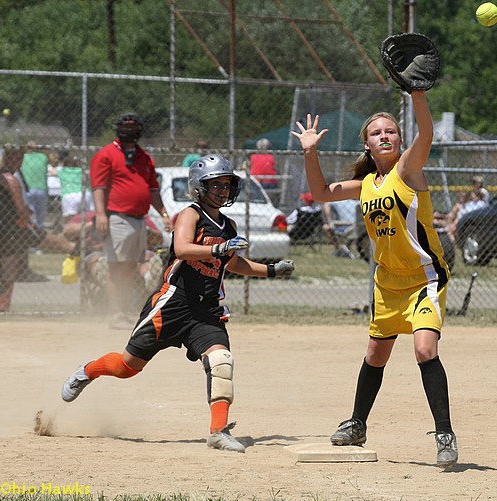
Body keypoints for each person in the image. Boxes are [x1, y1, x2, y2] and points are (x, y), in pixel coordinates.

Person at [61, 154, 295, 453]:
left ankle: (217, 432)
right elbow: (182, 249)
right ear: (199, 187)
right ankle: (88, 371)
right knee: (127, 367)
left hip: (206, 309)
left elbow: (234, 263)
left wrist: (271, 269)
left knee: (221, 361)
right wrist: (220, 248)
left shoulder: (228, 225)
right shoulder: (191, 215)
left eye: (227, 184)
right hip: (172, 303)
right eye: (216, 184)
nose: (223, 190)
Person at [291, 90, 458, 467]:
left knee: (424, 350)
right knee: (375, 355)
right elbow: (319, 192)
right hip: (387, 283)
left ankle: (445, 433)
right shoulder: (367, 184)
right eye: (376, 133)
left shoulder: (408, 171)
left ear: (400, 141)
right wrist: (309, 151)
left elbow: (426, 134)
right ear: (366, 144)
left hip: (424, 279)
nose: (385, 136)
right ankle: (357, 424)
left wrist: (417, 94)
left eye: (391, 132)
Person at [90, 113, 172, 327]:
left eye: (134, 127)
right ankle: (116, 313)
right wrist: (100, 214)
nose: (130, 131)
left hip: (139, 219)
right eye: (126, 127)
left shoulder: (144, 158)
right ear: (118, 129)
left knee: (129, 267)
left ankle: (121, 311)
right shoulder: (106, 154)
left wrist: (164, 214)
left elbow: (153, 190)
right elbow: (99, 187)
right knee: (116, 266)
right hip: (117, 218)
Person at [0, 144, 76, 312]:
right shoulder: (10, 179)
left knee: (9, 272)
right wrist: (29, 220)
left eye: (20, 157)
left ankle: (3, 308)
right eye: (14, 157)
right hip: (16, 230)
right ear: (6, 158)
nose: (18, 161)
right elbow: (22, 209)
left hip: (1, 230)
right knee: (64, 245)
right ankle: (85, 257)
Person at [20, 141, 49, 228]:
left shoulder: (23, 157)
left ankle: (33, 230)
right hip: (42, 188)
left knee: (31, 212)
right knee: (41, 213)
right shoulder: (43, 157)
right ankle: (39, 229)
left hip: (28, 188)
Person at [58, 155, 93, 224]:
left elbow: (52, 172)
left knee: (69, 219)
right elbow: (89, 172)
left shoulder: (62, 171)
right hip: (85, 193)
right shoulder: (80, 170)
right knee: (88, 216)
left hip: (69, 194)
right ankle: (86, 230)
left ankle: (71, 230)